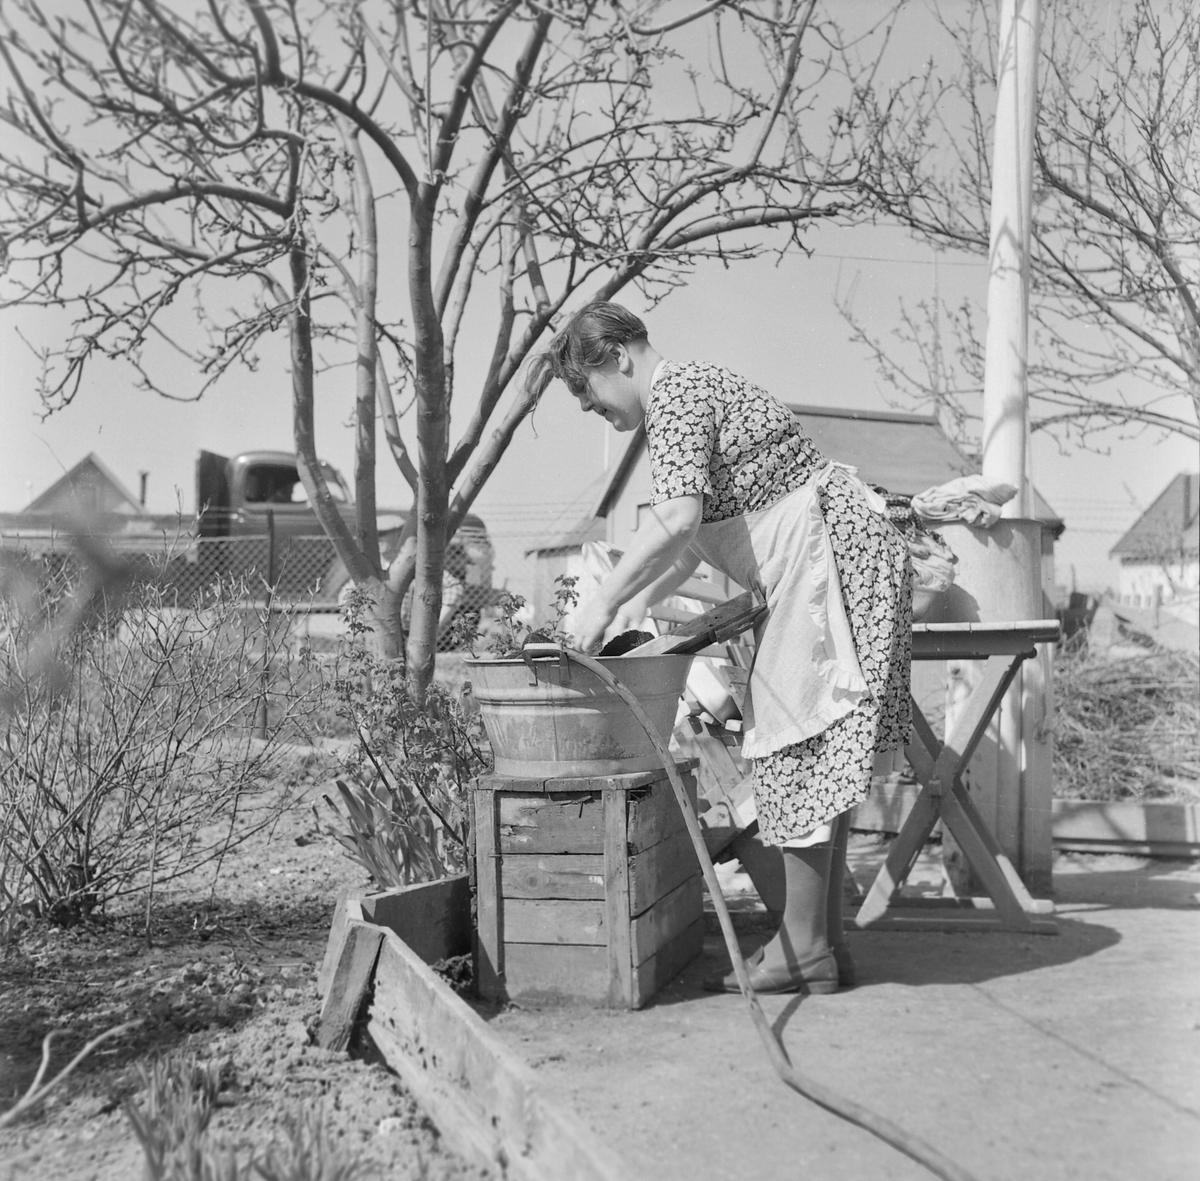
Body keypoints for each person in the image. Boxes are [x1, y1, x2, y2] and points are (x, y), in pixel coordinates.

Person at [525, 302, 912, 995]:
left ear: (616, 356)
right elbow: (683, 548)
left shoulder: (676, 396)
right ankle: (818, 944)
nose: (592, 409)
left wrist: (601, 602)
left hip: (824, 555)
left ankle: (804, 947)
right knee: (810, 745)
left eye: (587, 393)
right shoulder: (685, 400)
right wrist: (635, 610)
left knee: (800, 741)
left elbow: (676, 521)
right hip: (827, 551)